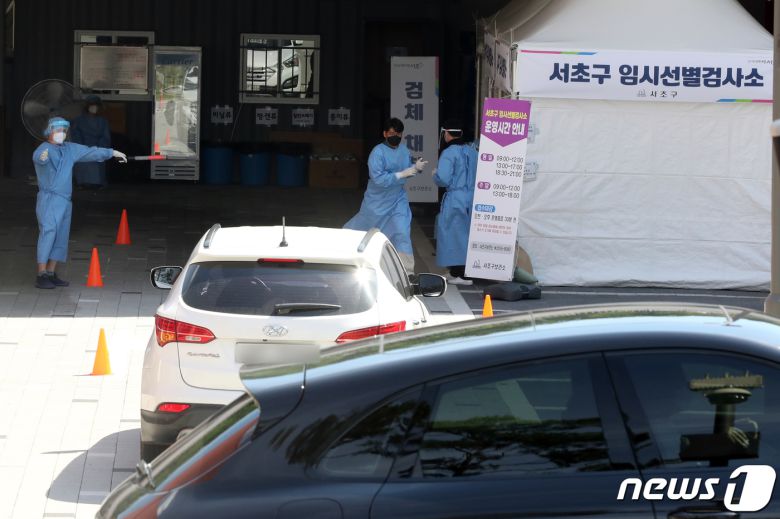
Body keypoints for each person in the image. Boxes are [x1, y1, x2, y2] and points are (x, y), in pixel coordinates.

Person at [32, 117, 127, 289]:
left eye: (64, 131)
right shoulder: (43, 149)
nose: (61, 133)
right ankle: (41, 274)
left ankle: (51, 272)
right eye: (58, 130)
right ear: (49, 131)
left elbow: (90, 152)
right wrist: (42, 158)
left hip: (65, 200)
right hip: (49, 199)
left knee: (61, 236)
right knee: (48, 233)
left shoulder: (69, 149)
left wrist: (111, 153)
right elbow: (39, 158)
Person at [344, 117, 426, 272]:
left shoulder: (404, 150)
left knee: (401, 231)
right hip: (377, 200)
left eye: (399, 134)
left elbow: (407, 170)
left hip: (398, 199)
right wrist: (401, 174)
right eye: (392, 133)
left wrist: (416, 168)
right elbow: (378, 179)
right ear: (385, 133)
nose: (396, 136)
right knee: (366, 231)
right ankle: (349, 253)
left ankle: (406, 270)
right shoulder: (377, 152)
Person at [433, 119, 478, 286]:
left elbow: (443, 179)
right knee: (466, 234)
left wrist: (435, 175)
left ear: (446, 133)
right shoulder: (472, 151)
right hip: (472, 197)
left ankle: (462, 274)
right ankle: (457, 271)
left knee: (454, 234)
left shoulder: (449, 153)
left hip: (456, 198)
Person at [71, 95, 111, 188]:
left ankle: (98, 183)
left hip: (98, 149)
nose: (94, 108)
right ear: (87, 107)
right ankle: (81, 183)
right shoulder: (78, 121)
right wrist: (83, 148)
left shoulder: (103, 121)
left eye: (96, 106)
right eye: (92, 105)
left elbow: (106, 137)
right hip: (82, 149)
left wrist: (99, 148)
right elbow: (75, 136)